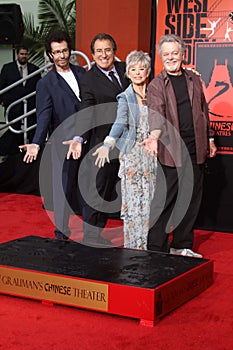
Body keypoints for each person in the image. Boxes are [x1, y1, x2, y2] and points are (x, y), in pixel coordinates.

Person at [141, 34, 217, 258]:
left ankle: (182, 245)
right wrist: (154, 137)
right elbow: (156, 115)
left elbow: (203, 110)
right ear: (161, 57)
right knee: (165, 200)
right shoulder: (156, 85)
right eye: (166, 54)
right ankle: (155, 248)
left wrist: (210, 138)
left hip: (196, 147)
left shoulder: (194, 79)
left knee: (192, 198)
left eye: (175, 53)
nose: (171, 57)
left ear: (183, 55)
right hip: (170, 150)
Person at [19, 30, 86, 240]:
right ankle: (61, 234)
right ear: (50, 54)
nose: (62, 56)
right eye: (56, 52)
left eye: (64, 51)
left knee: (89, 185)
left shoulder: (83, 74)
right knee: (63, 189)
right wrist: (37, 143)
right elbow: (44, 116)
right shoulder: (45, 83)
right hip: (62, 142)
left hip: (85, 138)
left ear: (70, 50)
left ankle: (93, 233)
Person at [65, 33, 130, 246]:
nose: (104, 55)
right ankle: (92, 237)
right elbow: (87, 109)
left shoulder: (125, 70)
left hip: (130, 141)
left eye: (108, 50)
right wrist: (78, 137)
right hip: (104, 142)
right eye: (99, 51)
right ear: (92, 55)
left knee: (128, 187)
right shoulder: (88, 79)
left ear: (114, 51)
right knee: (100, 189)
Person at [93, 50, 157, 250]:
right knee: (133, 201)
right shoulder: (125, 97)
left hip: (151, 155)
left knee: (150, 200)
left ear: (148, 71)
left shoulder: (155, 93)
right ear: (127, 73)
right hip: (132, 154)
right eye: (133, 69)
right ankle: (133, 244)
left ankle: (148, 242)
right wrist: (107, 144)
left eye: (142, 68)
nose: (138, 73)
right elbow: (119, 123)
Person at [0, 46, 41, 155]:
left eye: (26, 54)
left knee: (32, 129)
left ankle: (32, 153)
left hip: (30, 105)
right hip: (13, 105)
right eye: (22, 54)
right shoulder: (7, 68)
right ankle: (15, 154)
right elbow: (1, 85)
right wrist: (2, 101)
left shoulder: (35, 69)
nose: (24, 56)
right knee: (14, 130)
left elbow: (39, 88)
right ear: (17, 54)